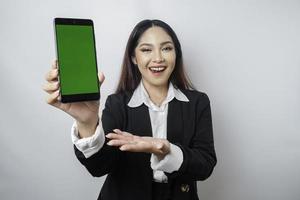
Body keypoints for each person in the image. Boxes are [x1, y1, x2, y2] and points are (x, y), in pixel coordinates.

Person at [43, 19, 217, 200]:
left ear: (176, 54)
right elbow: (99, 167)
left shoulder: (198, 102)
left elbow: (205, 166)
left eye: (166, 48)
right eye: (146, 49)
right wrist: (86, 123)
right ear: (134, 58)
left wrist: (166, 149)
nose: (158, 58)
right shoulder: (117, 104)